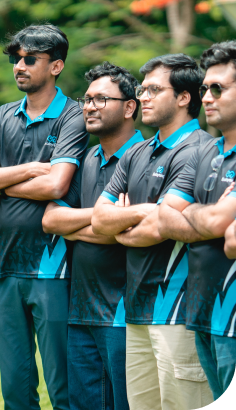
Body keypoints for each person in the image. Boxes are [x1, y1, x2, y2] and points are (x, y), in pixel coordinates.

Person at [0, 24, 88, 410]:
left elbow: (56, 185)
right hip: (3, 266)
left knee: (63, 387)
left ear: (56, 66)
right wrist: (31, 169)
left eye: (30, 59)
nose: (19, 66)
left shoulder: (73, 115)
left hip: (54, 269)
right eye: (16, 59)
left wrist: (0, 182)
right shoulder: (4, 115)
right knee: (15, 390)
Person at [92, 53, 213, 409]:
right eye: (142, 89)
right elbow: (99, 219)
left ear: (184, 97)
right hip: (137, 310)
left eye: (154, 90)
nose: (143, 97)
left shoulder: (200, 150)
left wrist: (125, 221)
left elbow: (160, 226)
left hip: (179, 311)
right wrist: (144, 214)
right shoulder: (137, 152)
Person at [42, 62, 143, 410]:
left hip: (125, 312)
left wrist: (81, 226)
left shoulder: (145, 158)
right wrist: (106, 219)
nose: (89, 107)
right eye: (86, 99)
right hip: (81, 309)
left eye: (101, 99)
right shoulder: (85, 159)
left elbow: (133, 231)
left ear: (129, 107)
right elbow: (51, 220)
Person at [158, 41, 236, 400]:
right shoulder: (205, 150)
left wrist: (190, 211)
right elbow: (164, 216)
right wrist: (206, 216)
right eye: (204, 89)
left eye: (218, 88)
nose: (206, 97)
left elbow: (221, 226)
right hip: (202, 314)